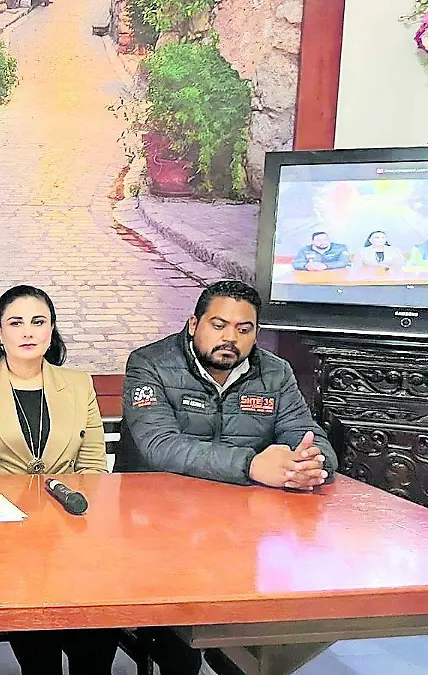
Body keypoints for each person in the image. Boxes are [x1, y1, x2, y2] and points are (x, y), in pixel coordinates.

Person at [116, 279, 338, 675]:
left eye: (243, 329)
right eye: (218, 325)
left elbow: (309, 436)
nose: (230, 339)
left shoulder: (275, 373)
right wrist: (252, 465)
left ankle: (239, 654)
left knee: (275, 621)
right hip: (158, 529)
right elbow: (160, 446)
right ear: (193, 324)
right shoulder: (150, 364)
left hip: (244, 531)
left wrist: (308, 463)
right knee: (180, 647)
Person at [0, 285, 118, 675]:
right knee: (35, 621)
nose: (28, 332)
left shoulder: (78, 383)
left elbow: (93, 468)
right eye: (16, 323)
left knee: (98, 624)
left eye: (38, 322)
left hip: (68, 529)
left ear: (51, 330)